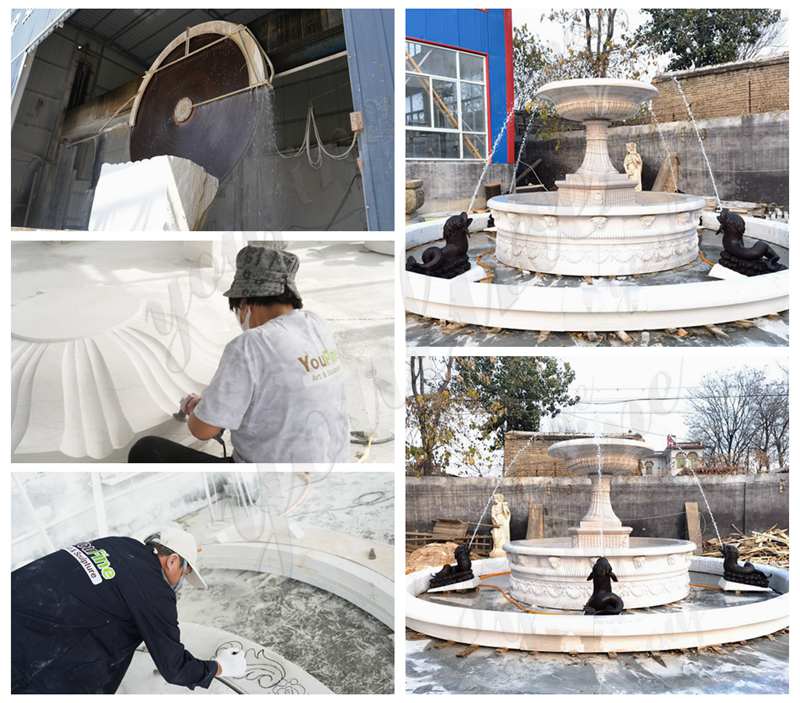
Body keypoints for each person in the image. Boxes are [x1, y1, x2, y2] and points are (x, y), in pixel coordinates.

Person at [128, 246, 350, 463]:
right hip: (333, 465)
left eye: (238, 311)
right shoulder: (317, 324)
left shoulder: (250, 345)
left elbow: (203, 430)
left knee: (147, 449)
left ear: (245, 304)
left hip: (272, 481)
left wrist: (200, 411)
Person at [11, 526, 247, 693]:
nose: (180, 583)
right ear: (173, 560)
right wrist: (220, 667)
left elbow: (106, 594)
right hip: (25, 646)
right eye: (184, 574)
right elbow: (175, 668)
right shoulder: (155, 590)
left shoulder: (119, 543)